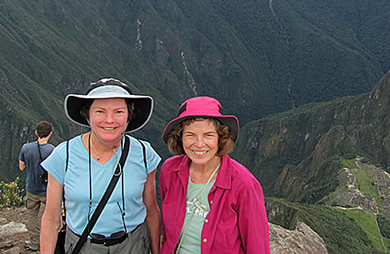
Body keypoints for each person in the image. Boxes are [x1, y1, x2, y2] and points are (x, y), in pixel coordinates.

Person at [40, 78, 161, 254]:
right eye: (100, 111)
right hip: (84, 246)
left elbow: (151, 210)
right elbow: (51, 219)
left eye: (118, 111)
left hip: (133, 245)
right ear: (87, 114)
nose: (109, 120)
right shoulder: (63, 156)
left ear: (129, 114)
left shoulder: (144, 153)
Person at [159, 96, 271, 254]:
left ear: (221, 138)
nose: (199, 144)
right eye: (190, 135)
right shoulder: (170, 171)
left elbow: (257, 247)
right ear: (179, 138)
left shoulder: (243, 184)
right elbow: (168, 237)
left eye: (208, 135)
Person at [19, 121, 55, 251]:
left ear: (36, 133)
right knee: (51, 216)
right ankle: (52, 242)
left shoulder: (26, 148)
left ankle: (34, 243)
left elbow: (21, 167)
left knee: (33, 216)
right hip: (47, 190)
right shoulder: (52, 150)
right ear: (50, 134)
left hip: (31, 189)